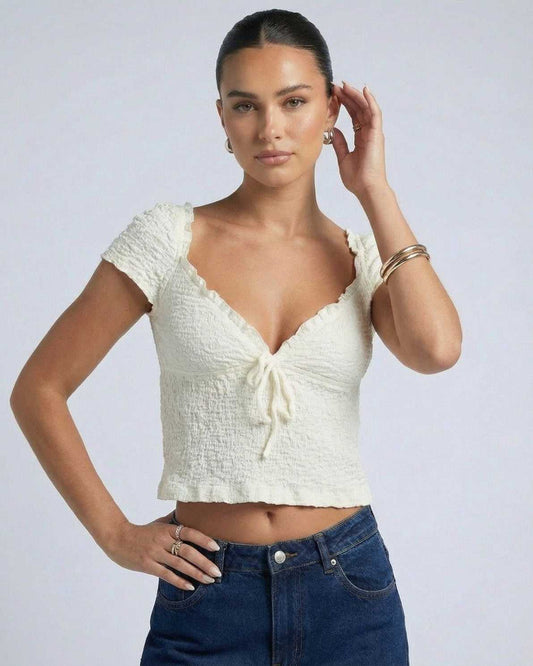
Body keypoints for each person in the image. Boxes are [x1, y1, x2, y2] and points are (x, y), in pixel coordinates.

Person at [10, 9, 462, 665]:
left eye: (294, 101)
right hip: (208, 595)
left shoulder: (364, 257)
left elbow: (437, 350)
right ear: (221, 117)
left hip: (348, 592)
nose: (269, 128)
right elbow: (39, 388)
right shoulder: (168, 238)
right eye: (245, 105)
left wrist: (374, 190)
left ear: (331, 108)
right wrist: (114, 534)